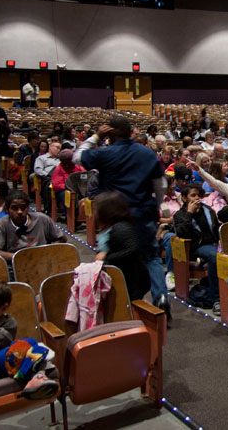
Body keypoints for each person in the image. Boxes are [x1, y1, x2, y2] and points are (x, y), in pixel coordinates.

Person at [75, 115, 168, 313]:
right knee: (151, 257)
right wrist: (155, 205)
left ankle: (120, 305)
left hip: (116, 219)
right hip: (143, 212)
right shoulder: (147, 153)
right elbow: (160, 184)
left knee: (114, 258)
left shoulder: (105, 153)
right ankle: (160, 298)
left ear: (109, 133)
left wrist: (96, 136)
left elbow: (78, 156)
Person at [173, 183, 221, 313]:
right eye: (193, 195)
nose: (197, 198)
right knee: (213, 255)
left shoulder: (207, 210)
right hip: (196, 247)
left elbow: (216, 229)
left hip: (215, 244)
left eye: (199, 195)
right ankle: (216, 299)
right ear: (183, 198)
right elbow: (182, 233)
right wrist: (189, 213)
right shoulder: (180, 215)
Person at [0, 189, 66, 262]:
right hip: (14, 265)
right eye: (14, 208)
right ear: (7, 210)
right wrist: (22, 257)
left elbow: (61, 238)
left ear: (28, 208)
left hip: (42, 262)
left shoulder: (42, 219)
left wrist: (49, 250)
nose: (20, 212)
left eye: (23, 208)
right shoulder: (1, 225)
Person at [51, 149, 85, 217]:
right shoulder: (58, 169)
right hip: (65, 190)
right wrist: (69, 187)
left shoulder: (78, 166)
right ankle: (71, 218)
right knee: (66, 195)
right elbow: (56, 185)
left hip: (79, 189)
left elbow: (85, 175)